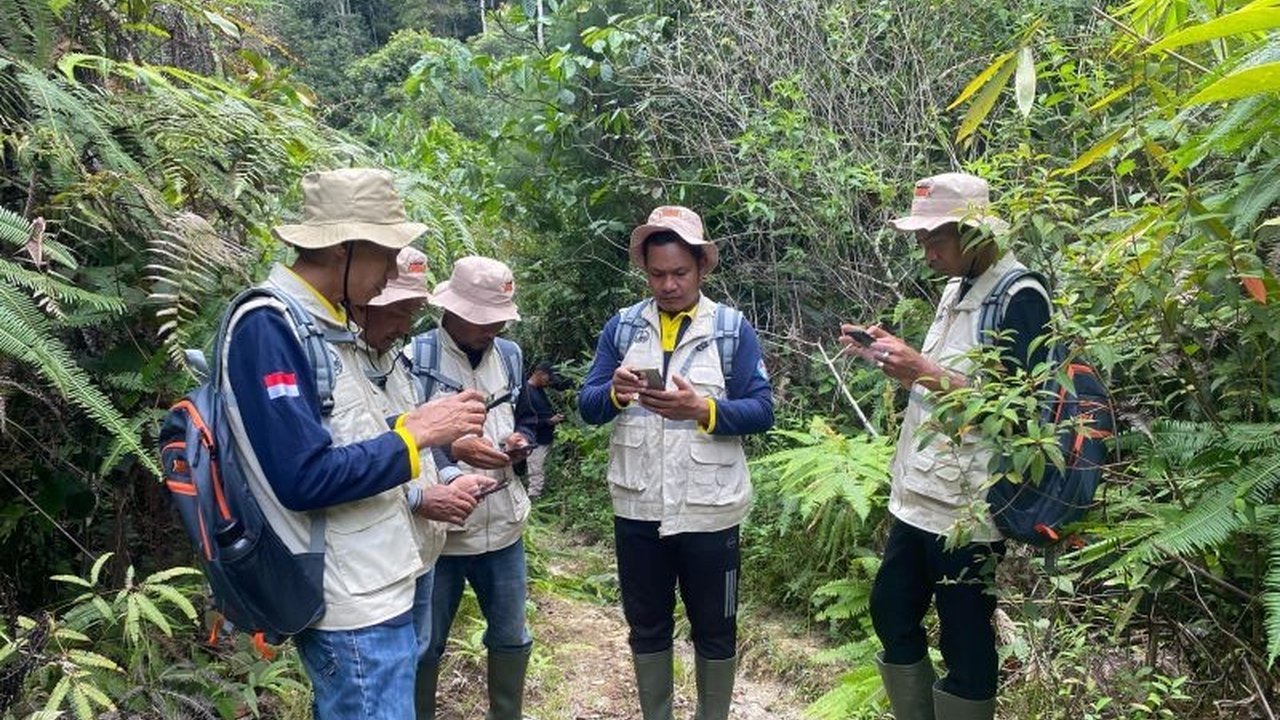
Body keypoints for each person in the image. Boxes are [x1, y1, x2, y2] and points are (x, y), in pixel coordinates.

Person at [223, 168, 488, 719]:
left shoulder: (328, 327)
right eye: (386, 254)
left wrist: (424, 437)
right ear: (344, 249)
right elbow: (303, 477)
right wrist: (415, 435)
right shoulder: (269, 327)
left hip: (378, 582)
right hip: (350, 604)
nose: (393, 270)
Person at [838, 172, 1050, 720]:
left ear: (976, 233)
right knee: (891, 610)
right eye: (921, 240)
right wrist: (890, 356)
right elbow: (942, 382)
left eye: (935, 239)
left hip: (968, 506)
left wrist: (923, 371)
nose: (925, 252)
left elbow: (1021, 411)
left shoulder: (1021, 295)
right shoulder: (958, 286)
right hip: (920, 494)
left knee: (964, 636)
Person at [578, 206, 775, 720]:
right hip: (638, 509)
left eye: (679, 273)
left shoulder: (730, 330)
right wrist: (617, 394)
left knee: (716, 628)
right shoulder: (622, 328)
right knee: (647, 626)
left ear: (702, 268)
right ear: (644, 271)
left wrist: (704, 410)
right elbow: (587, 405)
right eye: (657, 274)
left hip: (710, 511)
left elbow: (762, 411)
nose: (668, 285)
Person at [347, 247, 498, 716]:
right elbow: (338, 468)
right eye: (400, 311)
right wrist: (418, 497)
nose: (406, 325)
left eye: (413, 311)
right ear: (365, 300)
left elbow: (422, 445)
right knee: (376, 690)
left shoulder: (392, 365)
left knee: (410, 661)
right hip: (372, 566)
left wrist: (451, 478)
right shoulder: (342, 368)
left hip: (417, 553)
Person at [412, 256, 538, 720]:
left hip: (504, 524)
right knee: (426, 644)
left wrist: (522, 441)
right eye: (485, 319)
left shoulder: (509, 355)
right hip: (442, 533)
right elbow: (401, 441)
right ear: (453, 310)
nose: (495, 327)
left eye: (500, 318)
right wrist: (453, 456)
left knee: (511, 636)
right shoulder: (415, 358)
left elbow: (529, 415)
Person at [518, 361, 565, 498]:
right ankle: (534, 499)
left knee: (538, 470)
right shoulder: (525, 392)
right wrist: (549, 421)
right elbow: (524, 420)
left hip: (545, 438)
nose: (549, 382)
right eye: (548, 378)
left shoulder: (539, 390)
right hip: (535, 440)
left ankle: (537, 495)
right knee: (535, 471)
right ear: (539, 374)